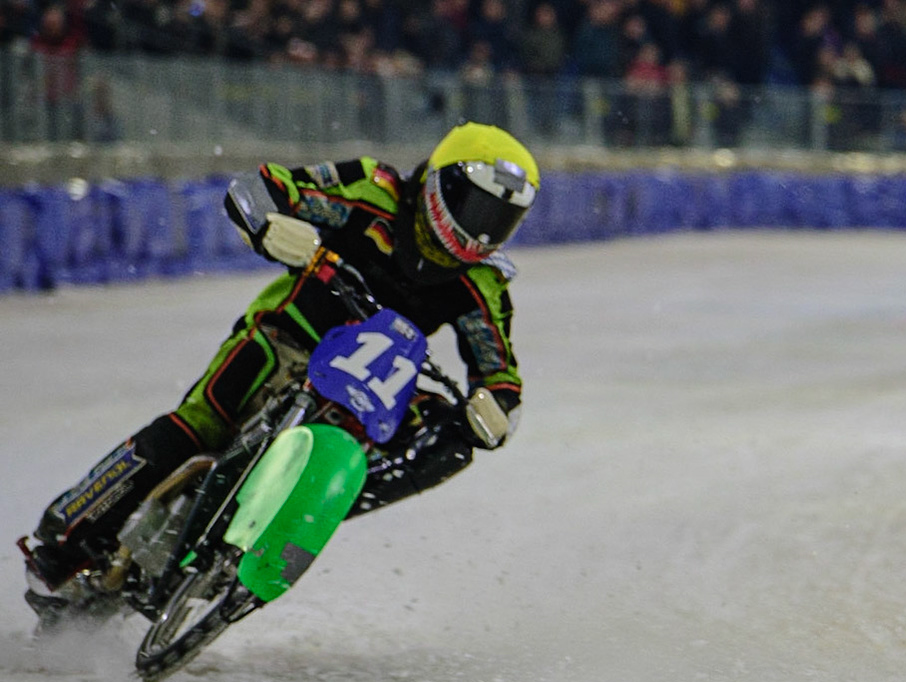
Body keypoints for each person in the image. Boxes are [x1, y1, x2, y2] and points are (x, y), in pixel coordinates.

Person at [21, 123, 538, 620]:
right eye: (477, 207)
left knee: (449, 441)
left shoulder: (481, 284)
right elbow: (263, 187)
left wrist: (492, 412)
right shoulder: (371, 189)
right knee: (200, 424)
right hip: (287, 335)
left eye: (501, 219)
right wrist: (270, 224)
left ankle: (315, 511)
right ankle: (67, 531)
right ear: (439, 182)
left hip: (371, 392)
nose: (482, 229)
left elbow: (501, 378)